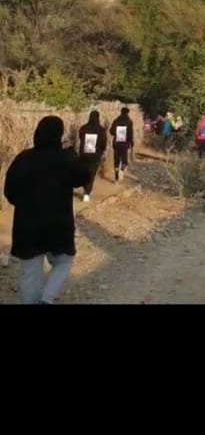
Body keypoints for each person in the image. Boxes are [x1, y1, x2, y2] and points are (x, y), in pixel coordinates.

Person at [4, 115, 91, 304]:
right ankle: (46, 298)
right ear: (59, 135)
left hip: (27, 226)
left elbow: (9, 191)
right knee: (64, 261)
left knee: (30, 274)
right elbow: (84, 176)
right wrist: (72, 154)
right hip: (58, 225)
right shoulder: (65, 159)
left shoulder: (23, 158)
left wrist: (26, 206)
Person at [78, 109, 107, 202]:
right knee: (92, 173)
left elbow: (80, 137)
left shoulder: (83, 128)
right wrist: (102, 150)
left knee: (84, 171)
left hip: (84, 154)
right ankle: (87, 193)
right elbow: (103, 143)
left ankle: (85, 189)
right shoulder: (101, 130)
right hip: (95, 155)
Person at [109, 106, 134, 182]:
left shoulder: (116, 121)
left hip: (116, 143)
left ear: (121, 112)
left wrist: (117, 133)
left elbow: (111, 131)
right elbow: (130, 133)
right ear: (127, 113)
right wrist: (131, 142)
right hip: (124, 144)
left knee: (116, 160)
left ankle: (116, 177)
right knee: (124, 161)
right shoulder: (129, 122)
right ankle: (121, 171)